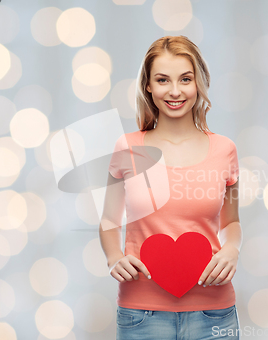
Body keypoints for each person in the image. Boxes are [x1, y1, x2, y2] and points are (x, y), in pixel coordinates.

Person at [99, 35, 242, 340]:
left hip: (214, 313)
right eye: (163, 80)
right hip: (141, 315)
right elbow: (110, 220)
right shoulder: (127, 147)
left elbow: (231, 221)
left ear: (198, 83)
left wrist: (232, 248)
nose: (175, 91)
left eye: (185, 79)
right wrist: (114, 258)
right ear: (148, 85)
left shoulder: (224, 149)